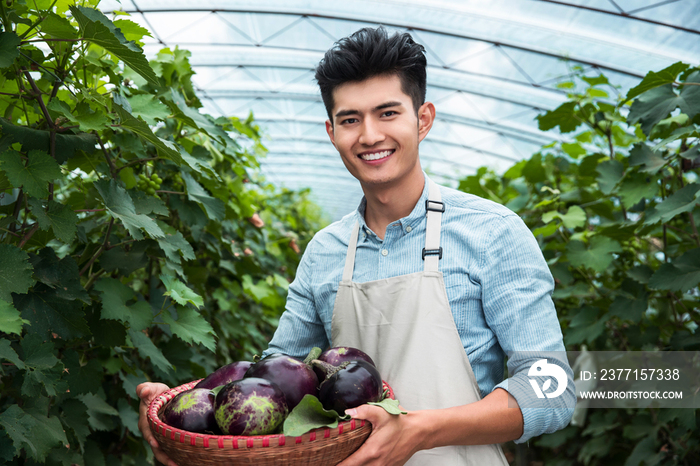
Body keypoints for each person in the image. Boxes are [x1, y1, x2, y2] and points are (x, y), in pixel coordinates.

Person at [138, 26, 575, 466]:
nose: (369, 135)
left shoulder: (493, 232)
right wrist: (191, 407)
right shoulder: (325, 251)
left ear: (422, 119)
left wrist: (419, 432)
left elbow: (551, 387)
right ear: (332, 132)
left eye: (388, 113)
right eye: (350, 119)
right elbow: (274, 375)